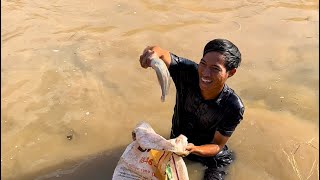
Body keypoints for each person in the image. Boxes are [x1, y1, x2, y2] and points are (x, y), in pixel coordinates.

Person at [139, 39, 245, 180]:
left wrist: (193, 149)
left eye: (215, 68)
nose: (205, 73)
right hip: (176, 146)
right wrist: (152, 54)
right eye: (203, 64)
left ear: (231, 73)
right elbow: (162, 53)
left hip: (211, 158)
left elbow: (217, 145)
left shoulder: (233, 106)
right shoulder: (187, 73)